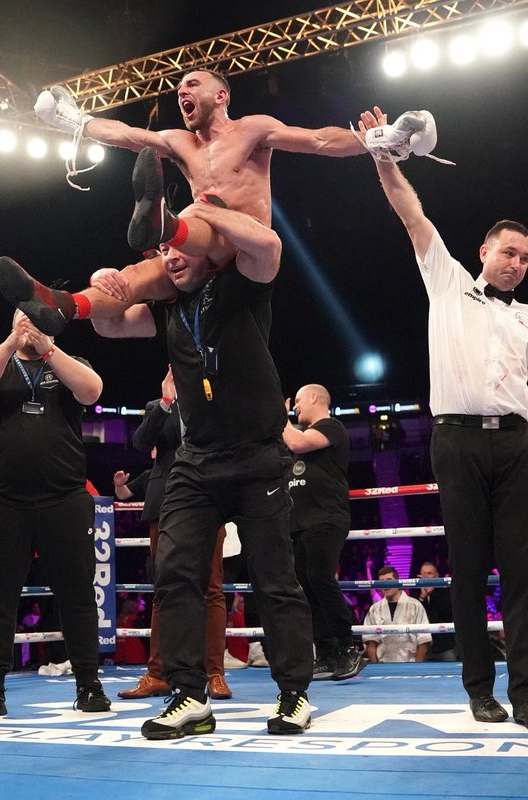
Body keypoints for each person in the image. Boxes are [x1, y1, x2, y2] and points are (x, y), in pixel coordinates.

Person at [364, 107, 528, 733]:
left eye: (524, 257)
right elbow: (410, 212)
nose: (515, 263)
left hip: (516, 444)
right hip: (456, 441)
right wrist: (383, 152)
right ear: (483, 251)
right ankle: (479, 690)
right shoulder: (445, 281)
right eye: (507, 252)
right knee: (467, 571)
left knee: (522, 570)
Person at [92, 195, 313, 739]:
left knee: (273, 577)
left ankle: (293, 695)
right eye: (162, 247)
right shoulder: (167, 309)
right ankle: (189, 695)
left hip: (259, 455)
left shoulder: (243, 283)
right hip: (196, 462)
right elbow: (109, 327)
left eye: (178, 244)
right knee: (174, 574)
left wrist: (199, 214)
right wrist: (107, 284)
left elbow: (269, 243)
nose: (170, 253)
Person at [0, 70, 435, 335]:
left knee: (207, 204)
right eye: (178, 89)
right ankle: (65, 305)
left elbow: (319, 139)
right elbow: (128, 135)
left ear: (220, 95)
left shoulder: (252, 129)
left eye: (191, 85)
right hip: (196, 252)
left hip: (244, 243)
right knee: (132, 277)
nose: (180, 93)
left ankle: (164, 226)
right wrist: (72, 119)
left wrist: (381, 139)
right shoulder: (180, 141)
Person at [0, 309, 108, 719]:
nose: (28, 326)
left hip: (63, 498)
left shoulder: (68, 362)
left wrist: (49, 348)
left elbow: (92, 391)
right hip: (2, 500)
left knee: (77, 594)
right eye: (21, 318)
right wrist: (10, 344)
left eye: (37, 319)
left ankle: (89, 685)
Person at [114, 368, 232, 701]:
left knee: (211, 587)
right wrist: (165, 401)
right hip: (165, 503)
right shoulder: (158, 406)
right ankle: (158, 673)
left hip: (210, 500)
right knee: (164, 588)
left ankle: (215, 673)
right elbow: (140, 442)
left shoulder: (215, 403)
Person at [283, 383, 365, 681]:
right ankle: (327, 652)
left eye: (300, 401)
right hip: (300, 521)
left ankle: (348, 648)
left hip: (326, 518)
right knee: (306, 585)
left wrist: (281, 418)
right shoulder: (297, 433)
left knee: (320, 579)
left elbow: (297, 444)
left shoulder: (332, 427)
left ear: (315, 398)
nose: (296, 407)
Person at [362, 565, 432, 663]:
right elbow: (370, 641)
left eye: (389, 580)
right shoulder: (375, 609)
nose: (385, 585)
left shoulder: (415, 605)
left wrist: (417, 666)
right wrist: (376, 667)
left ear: (398, 581)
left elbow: (424, 639)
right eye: (382, 582)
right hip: (383, 665)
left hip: (409, 663)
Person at [417, 561, 457, 662]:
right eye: (424, 573)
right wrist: (423, 597)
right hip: (423, 647)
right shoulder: (415, 594)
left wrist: (433, 593)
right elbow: (417, 616)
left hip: (445, 646)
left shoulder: (446, 593)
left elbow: (447, 613)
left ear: (436, 576)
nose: (426, 576)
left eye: (429, 573)